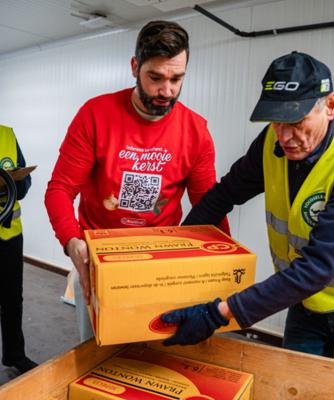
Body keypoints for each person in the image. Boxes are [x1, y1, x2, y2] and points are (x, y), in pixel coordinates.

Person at [161, 51, 334, 371]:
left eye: (297, 121)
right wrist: (173, 250)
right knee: (293, 385)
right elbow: (223, 195)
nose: (285, 136)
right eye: (276, 121)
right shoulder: (272, 144)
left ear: (330, 106)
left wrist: (216, 313)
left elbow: (317, 267)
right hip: (307, 300)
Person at [45, 20, 228, 342]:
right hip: (100, 262)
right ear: (134, 67)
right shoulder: (95, 115)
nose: (166, 91)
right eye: (155, 78)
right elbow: (60, 189)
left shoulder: (196, 131)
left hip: (159, 262)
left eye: (176, 79)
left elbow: (209, 207)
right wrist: (71, 241)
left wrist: (221, 270)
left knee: (156, 355)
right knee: (98, 356)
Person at [0, 125, 37, 374]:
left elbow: (25, 184)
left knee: (13, 298)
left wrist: (11, 184)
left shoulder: (7, 134)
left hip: (9, 234)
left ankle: (15, 355)